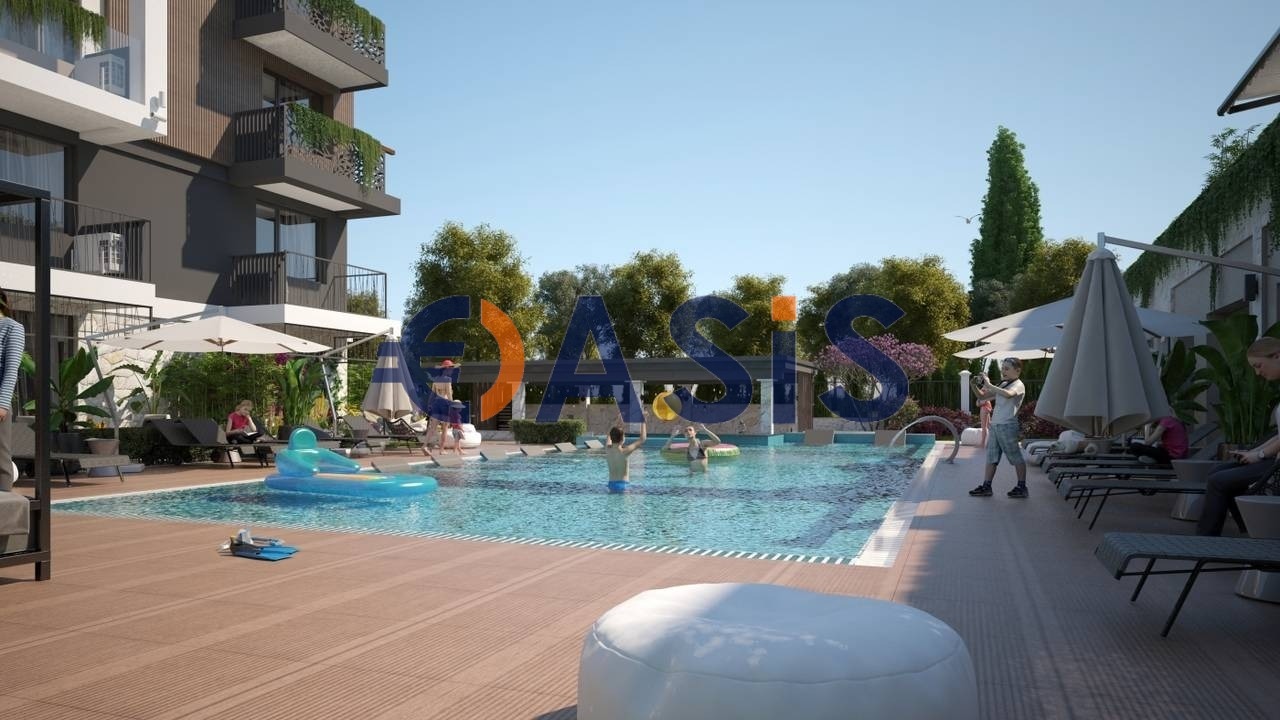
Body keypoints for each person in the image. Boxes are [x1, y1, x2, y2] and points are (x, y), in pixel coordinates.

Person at [1197, 337, 1280, 536]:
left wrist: (1259, 455)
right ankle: (1251, 531)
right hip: (1275, 462)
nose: (1257, 373)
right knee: (1217, 472)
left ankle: (1205, 540)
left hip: (1277, 468)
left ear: (1277, 356)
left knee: (1219, 481)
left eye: (1258, 366)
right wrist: (1252, 452)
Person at [968, 358, 1029, 498]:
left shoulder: (1018, 385)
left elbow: (1008, 394)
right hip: (995, 426)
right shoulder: (1003, 384)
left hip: (1007, 426)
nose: (1003, 371)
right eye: (1003, 368)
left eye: (1007, 368)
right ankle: (986, 487)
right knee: (991, 457)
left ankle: (1022, 487)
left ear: (1017, 370)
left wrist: (989, 384)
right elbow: (982, 397)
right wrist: (973, 385)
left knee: (1015, 457)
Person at [0, 288, 23, 493]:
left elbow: (11, 369)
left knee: (1, 457)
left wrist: (2, 404)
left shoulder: (12, 328)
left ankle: (5, 502)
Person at [605, 410, 648, 492]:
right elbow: (642, 439)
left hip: (611, 485)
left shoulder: (607, 449)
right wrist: (642, 420)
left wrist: (617, 420)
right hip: (623, 485)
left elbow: (608, 434)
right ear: (622, 439)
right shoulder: (624, 452)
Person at [431, 359, 456, 449]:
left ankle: (428, 446)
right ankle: (441, 449)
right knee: (445, 428)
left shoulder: (436, 379)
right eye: (451, 368)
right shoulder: (448, 380)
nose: (452, 370)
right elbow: (449, 395)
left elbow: (432, 394)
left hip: (436, 403)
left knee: (433, 428)